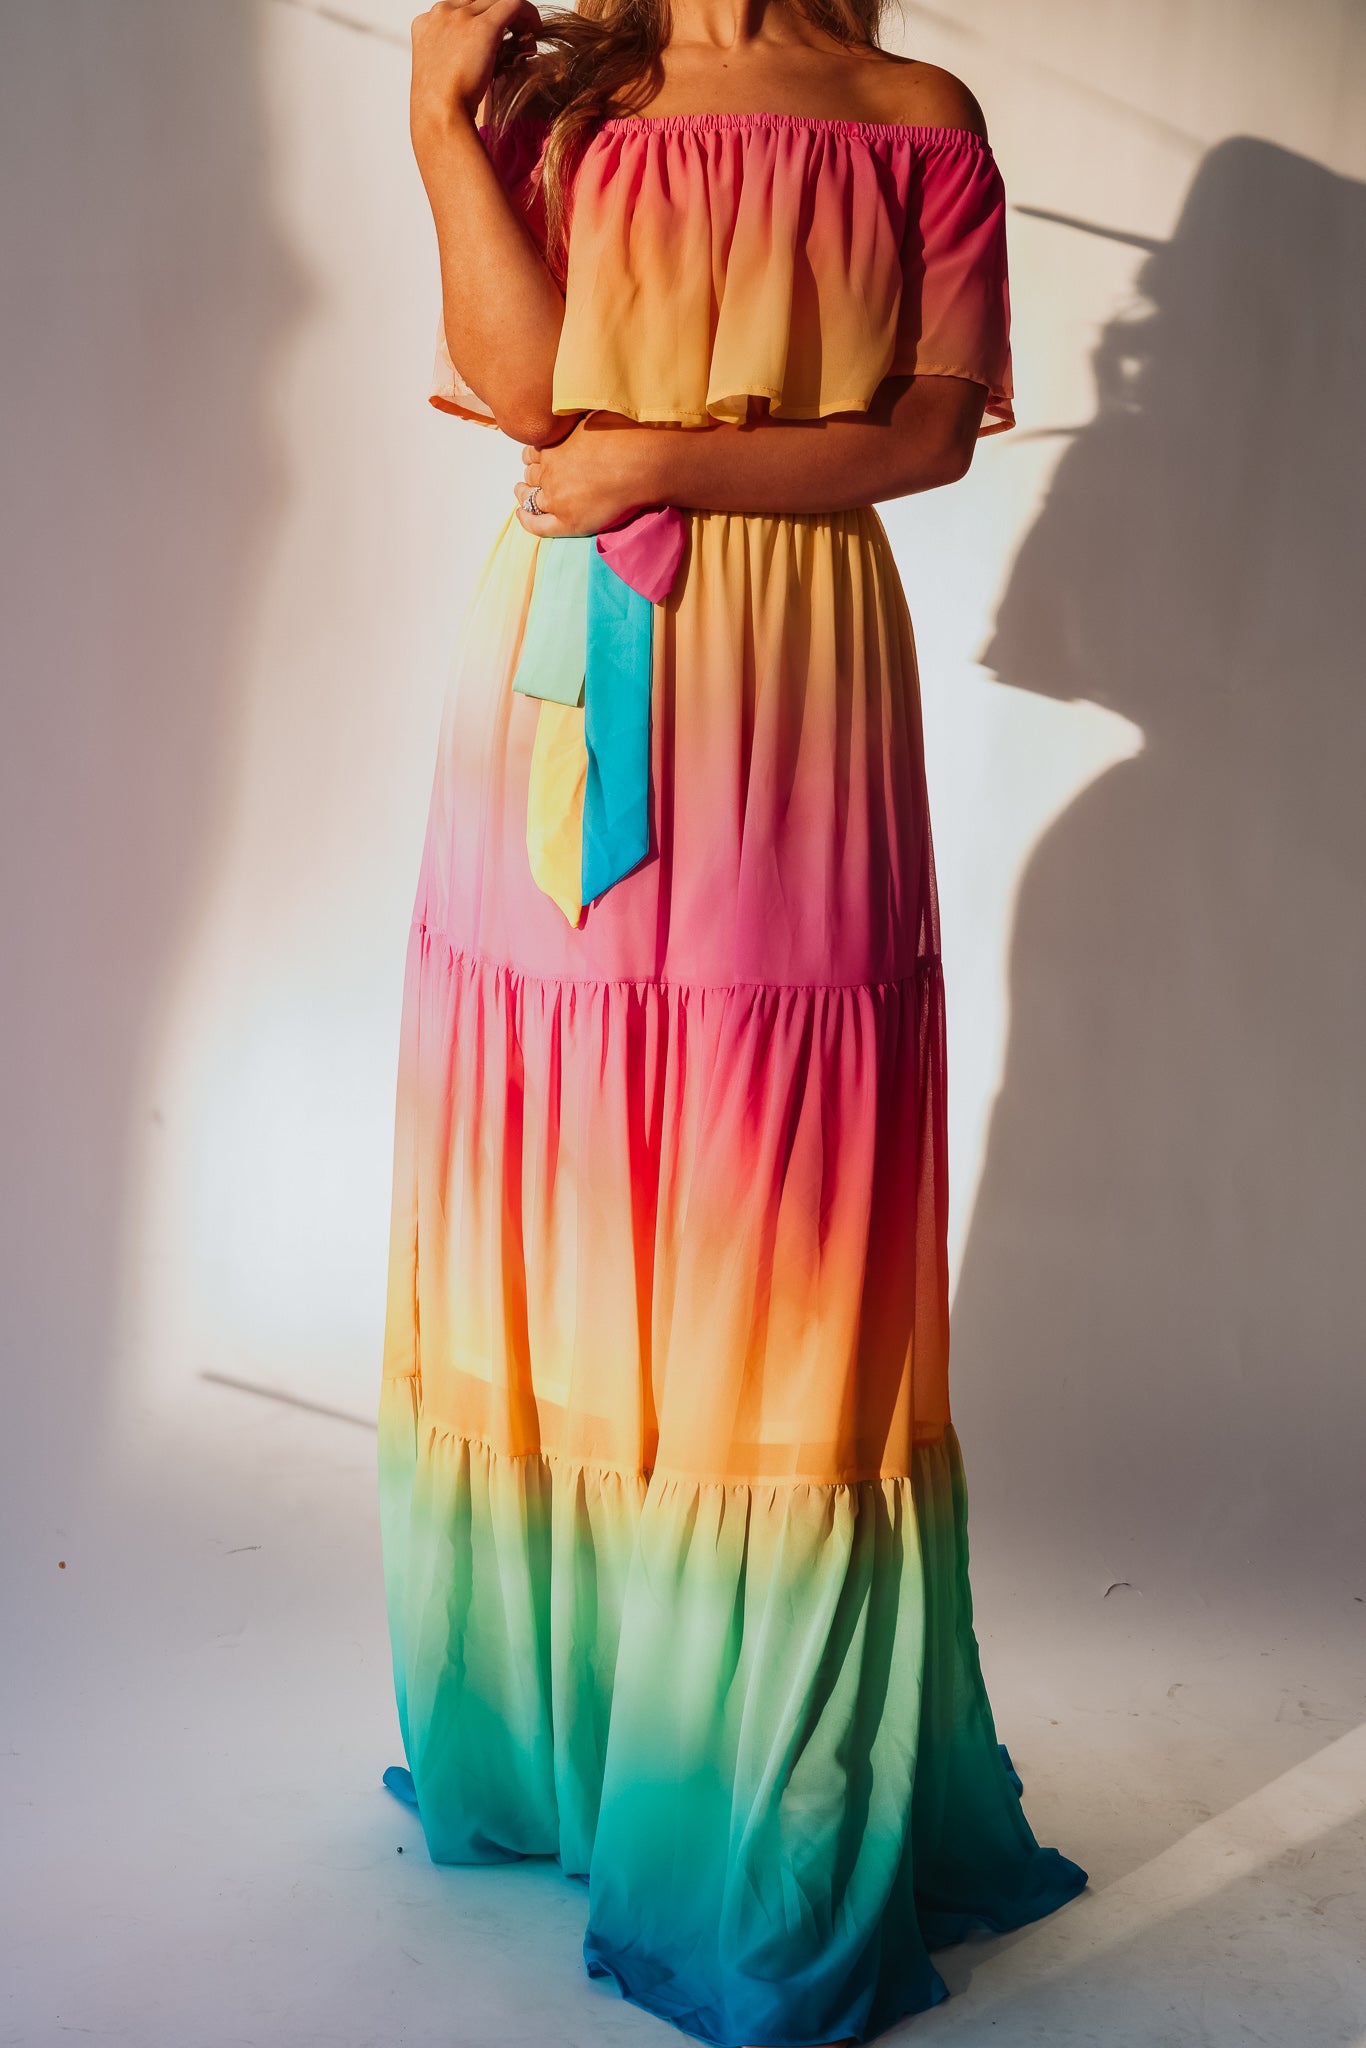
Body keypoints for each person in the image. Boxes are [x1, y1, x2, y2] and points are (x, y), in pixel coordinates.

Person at [378, 2, 1088, 2043]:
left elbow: (930, 431)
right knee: (568, 1172)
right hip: (563, 658)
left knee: (775, 1211)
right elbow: (531, 399)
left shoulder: (909, 115)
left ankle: (746, 1806)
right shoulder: (561, 98)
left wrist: (659, 459)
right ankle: (556, 1746)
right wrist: (437, 119)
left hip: (793, 665)